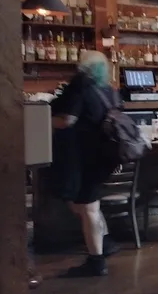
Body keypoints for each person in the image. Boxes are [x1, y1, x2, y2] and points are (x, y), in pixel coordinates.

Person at [50, 51, 120, 276]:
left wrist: (44, 119)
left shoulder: (80, 86)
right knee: (87, 205)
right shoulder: (109, 90)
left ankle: (96, 260)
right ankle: (103, 242)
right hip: (104, 155)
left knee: (88, 207)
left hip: (85, 156)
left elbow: (68, 119)